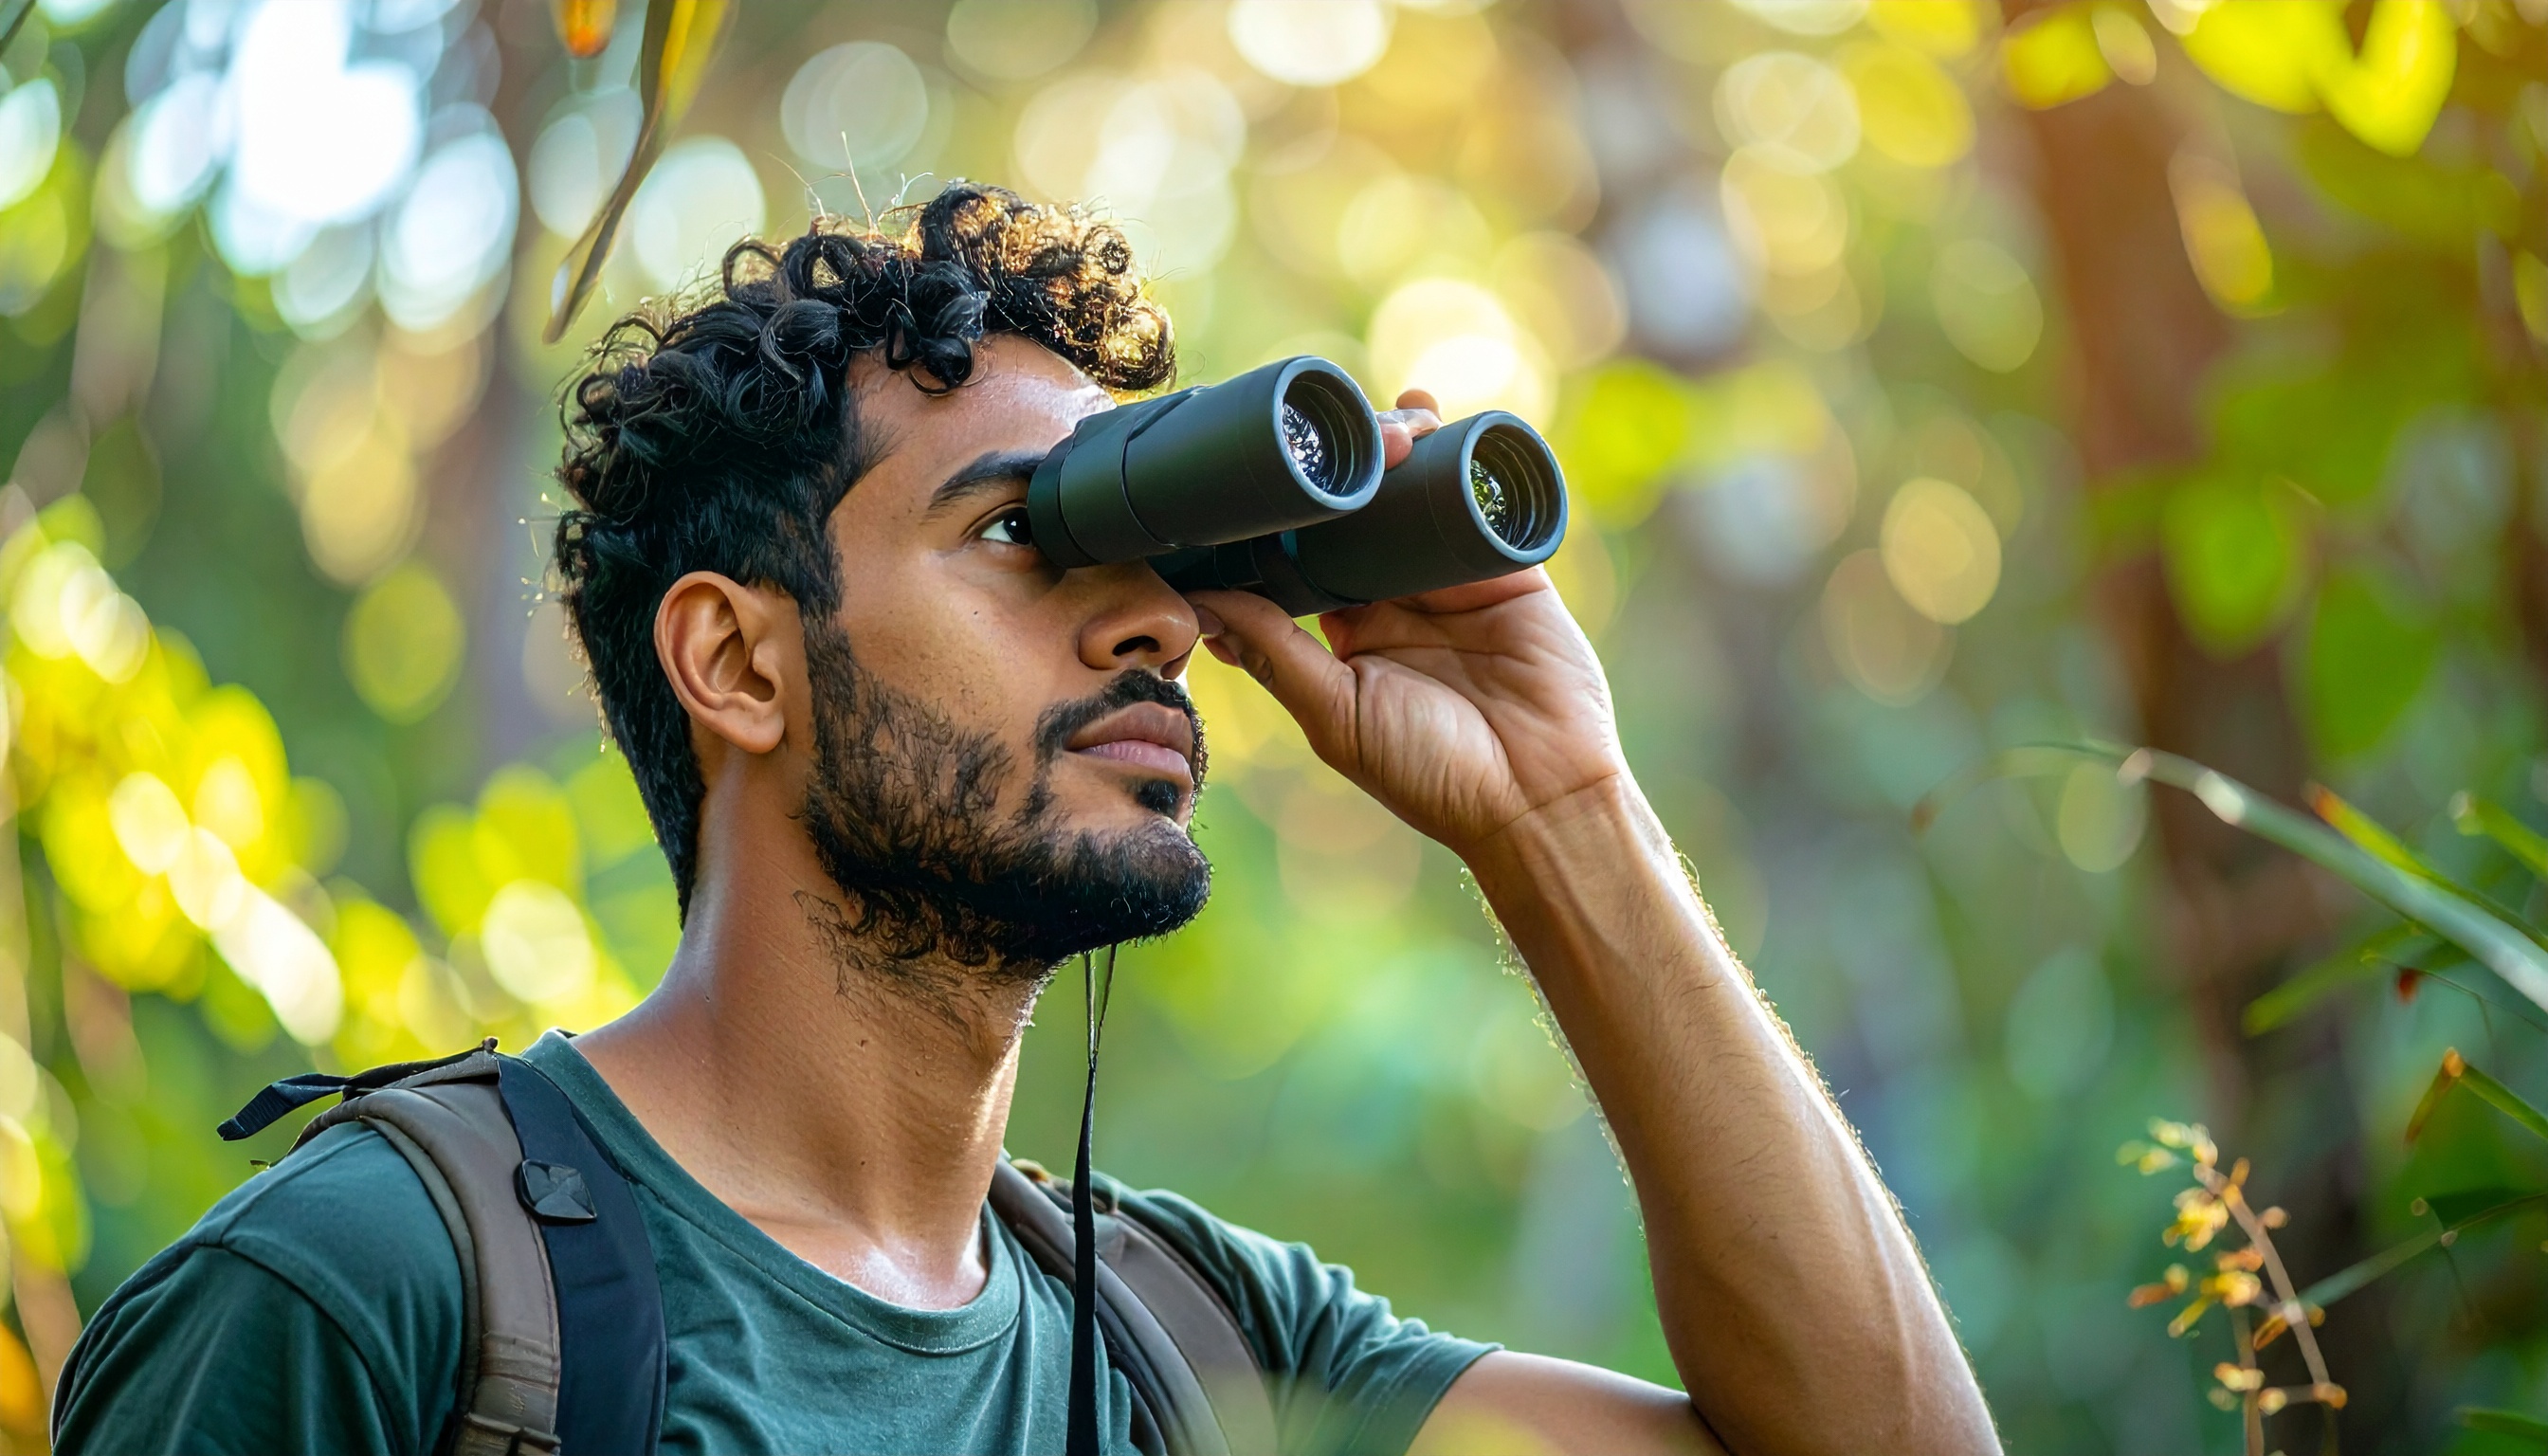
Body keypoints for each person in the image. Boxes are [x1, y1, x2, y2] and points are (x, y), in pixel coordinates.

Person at [53, 184, 1999, 1456]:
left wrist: (1558, 807)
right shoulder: (381, 1295)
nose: (1156, 616)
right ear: (737, 663)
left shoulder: (1191, 1345)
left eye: (1148, 535)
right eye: (1020, 535)